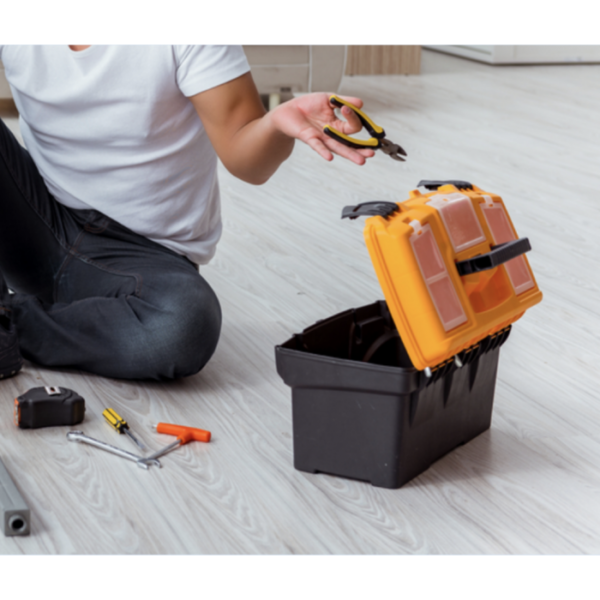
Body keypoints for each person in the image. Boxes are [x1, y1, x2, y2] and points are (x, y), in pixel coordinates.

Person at [0, 44, 374, 381]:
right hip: (37, 225)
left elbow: (247, 158)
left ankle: (10, 323)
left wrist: (276, 125)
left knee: (182, 326)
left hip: (142, 260)